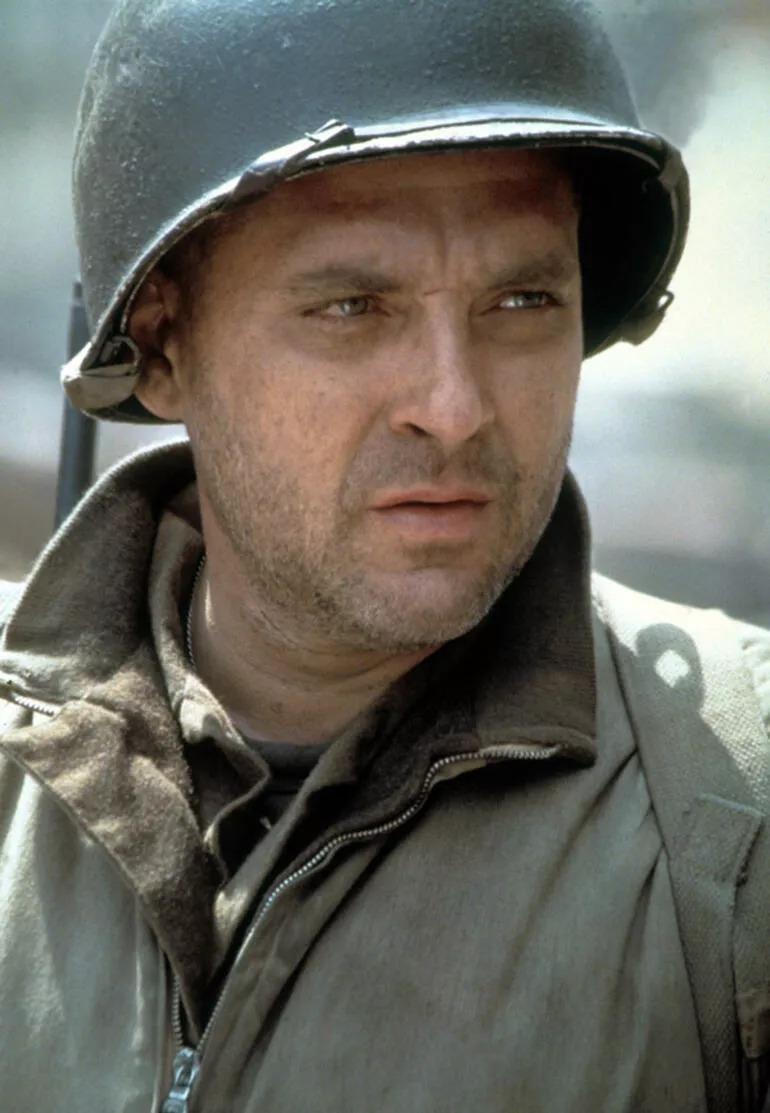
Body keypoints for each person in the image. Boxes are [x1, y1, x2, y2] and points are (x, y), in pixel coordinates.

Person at [0, 0, 768, 1110]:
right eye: (353, 307)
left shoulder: (736, 811)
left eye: (522, 299)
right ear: (162, 347)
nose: (453, 407)